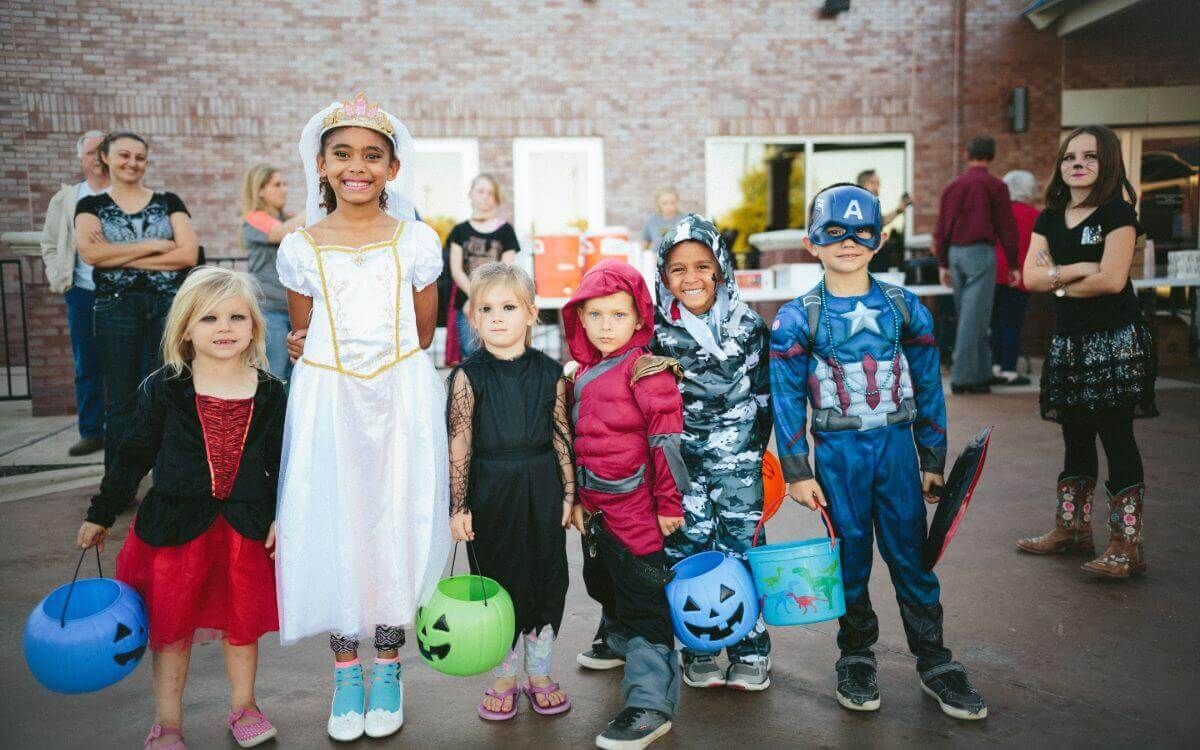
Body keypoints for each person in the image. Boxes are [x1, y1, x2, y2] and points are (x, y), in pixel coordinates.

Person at [771, 183, 987, 721]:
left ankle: (934, 660)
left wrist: (932, 459)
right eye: (834, 232)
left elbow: (929, 387)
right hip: (839, 456)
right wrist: (797, 470)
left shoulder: (902, 308)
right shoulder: (797, 318)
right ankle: (856, 654)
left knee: (911, 558)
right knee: (849, 560)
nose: (848, 242)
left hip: (895, 451)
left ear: (881, 238)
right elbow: (786, 395)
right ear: (810, 242)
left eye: (861, 231)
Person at [272, 94, 450, 742]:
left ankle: (388, 662)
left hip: (398, 400)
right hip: (330, 403)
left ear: (392, 169)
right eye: (342, 154)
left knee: (392, 524)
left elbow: (424, 329)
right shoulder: (300, 248)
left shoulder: (417, 242)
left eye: (372, 156)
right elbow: (303, 330)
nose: (357, 167)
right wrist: (307, 348)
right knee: (336, 525)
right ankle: (346, 673)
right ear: (321, 164)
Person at [75, 267, 285, 750]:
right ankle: (168, 723)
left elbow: (282, 463)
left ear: (254, 325)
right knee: (171, 632)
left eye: (237, 317)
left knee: (241, 625)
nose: (225, 328)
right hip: (175, 532)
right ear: (186, 328)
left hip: (245, 530)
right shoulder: (166, 388)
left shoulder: (272, 392)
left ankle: (245, 707)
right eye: (209, 318)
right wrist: (101, 513)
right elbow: (133, 455)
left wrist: (282, 515)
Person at [1016, 125, 1156, 579]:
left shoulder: (1119, 214)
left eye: (1089, 156)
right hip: (1069, 342)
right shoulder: (1049, 218)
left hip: (1115, 341)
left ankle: (1126, 544)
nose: (1077, 163)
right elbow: (1032, 278)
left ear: (1108, 162)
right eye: (1069, 156)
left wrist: (1056, 279)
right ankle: (1073, 530)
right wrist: (1077, 270)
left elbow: (1113, 280)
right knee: (1075, 435)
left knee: (1116, 436)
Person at [562, 259, 687, 749]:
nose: (606, 326)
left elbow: (667, 444)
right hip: (597, 513)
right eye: (596, 315)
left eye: (618, 314)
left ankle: (650, 702)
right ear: (580, 319)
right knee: (603, 580)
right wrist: (575, 501)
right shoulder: (582, 373)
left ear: (638, 319)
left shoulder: (647, 372)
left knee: (642, 599)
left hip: (638, 510)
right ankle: (616, 640)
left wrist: (668, 504)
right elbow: (577, 443)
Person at [446, 263, 574, 721]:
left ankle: (539, 673)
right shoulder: (468, 376)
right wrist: (458, 505)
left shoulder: (549, 372)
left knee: (546, 575)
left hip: (540, 485)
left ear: (531, 313)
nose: (497, 316)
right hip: (490, 489)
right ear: (473, 318)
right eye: (486, 308)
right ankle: (503, 676)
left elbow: (562, 433)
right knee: (496, 581)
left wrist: (569, 493)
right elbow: (459, 443)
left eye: (508, 306)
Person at [652, 215, 774, 690]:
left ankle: (751, 649)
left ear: (720, 267)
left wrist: (749, 456)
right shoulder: (658, 331)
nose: (691, 278)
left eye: (702, 266)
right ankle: (699, 647)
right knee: (688, 549)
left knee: (742, 551)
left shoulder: (747, 325)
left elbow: (763, 398)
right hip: (681, 470)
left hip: (738, 465)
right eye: (678, 269)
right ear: (663, 275)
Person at [75, 132, 200, 471]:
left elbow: (188, 254)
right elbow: (89, 253)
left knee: (168, 391)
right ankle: (119, 483)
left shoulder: (169, 200)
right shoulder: (91, 206)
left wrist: (116, 256)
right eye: (124, 155)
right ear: (106, 158)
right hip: (115, 308)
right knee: (120, 400)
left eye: (140, 157)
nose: (132, 163)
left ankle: (168, 479)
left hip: (166, 307)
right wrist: (156, 245)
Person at [39, 130, 109, 456]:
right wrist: (60, 279)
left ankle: (127, 431)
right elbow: (50, 243)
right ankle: (92, 431)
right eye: (92, 152)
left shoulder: (124, 194)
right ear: (81, 158)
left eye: (104, 150)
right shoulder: (67, 198)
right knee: (87, 364)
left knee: (130, 363)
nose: (98, 157)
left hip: (121, 294)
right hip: (82, 293)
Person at [933, 135, 1019, 394]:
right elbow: (1007, 227)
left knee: (971, 316)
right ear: (992, 156)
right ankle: (962, 378)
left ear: (966, 154)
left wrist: (942, 262)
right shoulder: (996, 186)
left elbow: (942, 226)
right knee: (974, 318)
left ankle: (980, 374)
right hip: (980, 252)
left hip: (956, 253)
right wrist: (1014, 263)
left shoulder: (953, 186)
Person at [239, 164, 306, 381]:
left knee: (298, 377)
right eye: (277, 185)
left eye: (285, 184)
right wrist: (315, 204)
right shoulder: (254, 219)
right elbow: (279, 233)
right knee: (273, 377)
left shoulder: (290, 218)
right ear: (260, 190)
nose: (284, 189)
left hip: (296, 312)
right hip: (269, 312)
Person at [445, 174, 519, 362]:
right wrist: (475, 298)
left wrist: (485, 300)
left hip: (497, 304)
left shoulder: (506, 231)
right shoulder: (459, 231)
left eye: (490, 193)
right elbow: (457, 271)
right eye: (480, 191)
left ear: (496, 199)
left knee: (498, 356)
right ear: (471, 194)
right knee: (473, 358)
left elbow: (506, 270)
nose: (485, 196)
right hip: (467, 304)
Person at [990, 170, 1039, 386]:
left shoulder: (996, 212)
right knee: (1012, 324)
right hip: (1019, 275)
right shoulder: (1035, 215)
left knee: (995, 323)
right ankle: (1009, 370)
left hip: (993, 274)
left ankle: (995, 366)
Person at [639, 187, 685, 252]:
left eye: (672, 202)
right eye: (665, 203)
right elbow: (644, 247)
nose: (669, 206)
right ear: (658, 203)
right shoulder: (651, 221)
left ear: (677, 202)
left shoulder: (685, 220)